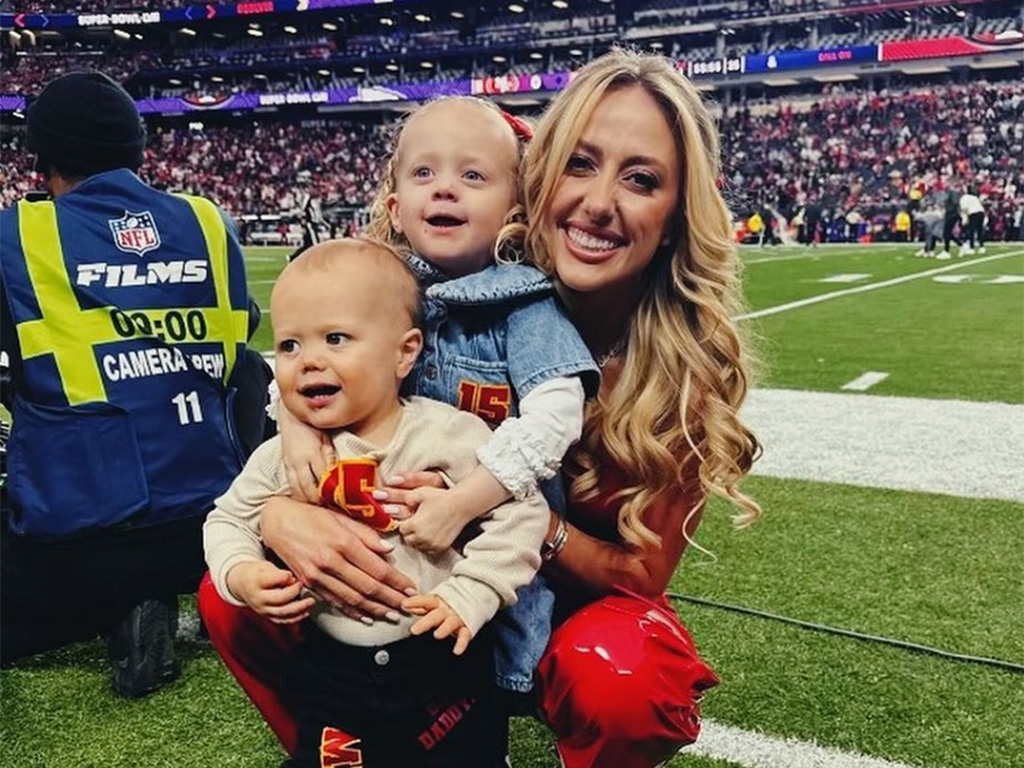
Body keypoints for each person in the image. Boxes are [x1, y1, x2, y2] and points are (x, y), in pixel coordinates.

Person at [200, 49, 760, 768]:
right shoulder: (420, 284)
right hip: (411, 571)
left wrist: (499, 511)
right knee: (229, 592)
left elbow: (641, 575)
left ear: (678, 214)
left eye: (642, 180)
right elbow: (319, 359)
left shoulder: (680, 366)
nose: (598, 202)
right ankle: (344, 747)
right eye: (581, 165)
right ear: (536, 182)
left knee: (624, 675)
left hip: (560, 599)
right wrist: (286, 502)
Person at [273, 95, 599, 702]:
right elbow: (303, 354)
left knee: (467, 681)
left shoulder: (524, 305)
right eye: (424, 173)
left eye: (472, 176)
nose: (444, 189)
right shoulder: (373, 286)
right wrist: (292, 422)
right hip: (381, 534)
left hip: (488, 545)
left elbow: (558, 415)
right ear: (395, 206)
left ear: (515, 209)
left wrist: (464, 503)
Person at [204, 239, 548, 767]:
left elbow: (523, 512)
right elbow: (228, 517)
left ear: (405, 352)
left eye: (335, 338)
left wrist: (472, 591)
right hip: (333, 672)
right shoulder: (286, 454)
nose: (308, 360)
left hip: (444, 661)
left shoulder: (450, 434)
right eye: (290, 345)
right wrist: (242, 572)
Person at [0, 72, 271, 697]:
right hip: (213, 528)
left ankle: (110, 605)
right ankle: (156, 595)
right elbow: (240, 353)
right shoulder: (209, 222)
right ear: (140, 150)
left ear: (42, 161)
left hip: (82, 539)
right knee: (249, 368)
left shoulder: (20, 234)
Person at [958, 185, 986, 255]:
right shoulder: (974, 197)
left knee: (971, 231)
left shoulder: (964, 198)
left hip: (973, 213)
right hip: (981, 212)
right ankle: (981, 247)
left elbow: (965, 209)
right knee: (979, 230)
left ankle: (971, 247)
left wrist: (965, 219)